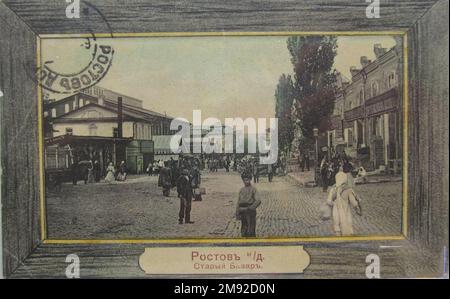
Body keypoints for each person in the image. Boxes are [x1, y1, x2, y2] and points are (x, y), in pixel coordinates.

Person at [326, 172, 362, 236]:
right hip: (346, 210)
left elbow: (328, 201)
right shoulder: (348, 190)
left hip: (336, 209)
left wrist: (334, 203)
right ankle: (347, 235)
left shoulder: (333, 189)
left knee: (336, 223)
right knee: (348, 221)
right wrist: (357, 205)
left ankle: (338, 235)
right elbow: (354, 203)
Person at [236, 172, 261, 237]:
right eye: (244, 180)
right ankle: (244, 243)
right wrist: (237, 212)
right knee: (244, 228)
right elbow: (238, 202)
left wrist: (251, 208)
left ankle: (252, 243)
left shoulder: (253, 189)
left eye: (247, 180)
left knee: (251, 228)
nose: (246, 181)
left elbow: (258, 200)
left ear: (250, 180)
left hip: (250, 211)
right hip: (242, 211)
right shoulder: (241, 190)